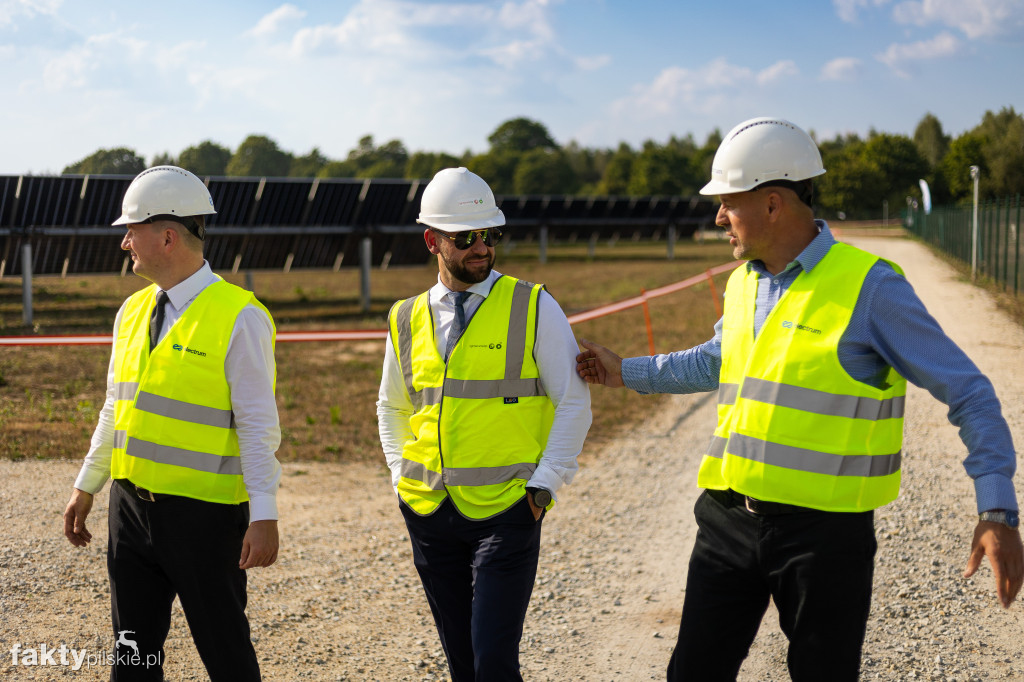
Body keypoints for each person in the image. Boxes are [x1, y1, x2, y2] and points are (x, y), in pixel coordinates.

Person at [575, 118, 1023, 681]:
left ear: (772, 203)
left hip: (824, 539)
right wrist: (626, 373)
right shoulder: (746, 281)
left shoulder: (871, 288)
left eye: (727, 203)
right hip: (727, 520)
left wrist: (997, 510)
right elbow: (715, 360)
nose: (717, 217)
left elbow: (971, 394)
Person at [62, 166, 282, 681]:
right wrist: (88, 484)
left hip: (205, 520)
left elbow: (257, 425)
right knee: (132, 659)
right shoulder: (132, 311)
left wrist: (265, 514)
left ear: (166, 236)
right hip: (130, 510)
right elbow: (115, 408)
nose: (124, 244)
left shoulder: (240, 316)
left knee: (227, 655)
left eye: (130, 231)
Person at [377, 167, 591, 681]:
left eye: (490, 235)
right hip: (428, 509)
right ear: (432, 240)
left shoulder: (534, 306)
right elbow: (392, 406)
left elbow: (573, 401)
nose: (482, 248)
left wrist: (544, 486)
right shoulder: (405, 317)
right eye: (466, 237)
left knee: (493, 660)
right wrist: (399, 477)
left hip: (509, 509)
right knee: (462, 663)